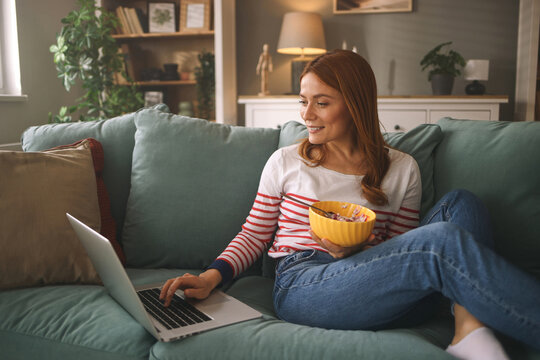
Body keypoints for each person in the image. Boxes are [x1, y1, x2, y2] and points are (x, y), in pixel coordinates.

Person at [161, 50, 540, 359]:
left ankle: (469, 328)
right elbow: (255, 234)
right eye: (303, 101)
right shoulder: (287, 161)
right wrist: (211, 277)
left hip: (380, 290)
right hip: (305, 284)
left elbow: (403, 251)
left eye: (322, 103)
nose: (306, 114)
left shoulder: (401, 168)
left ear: (355, 104)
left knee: (463, 204)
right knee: (439, 242)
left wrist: (359, 248)